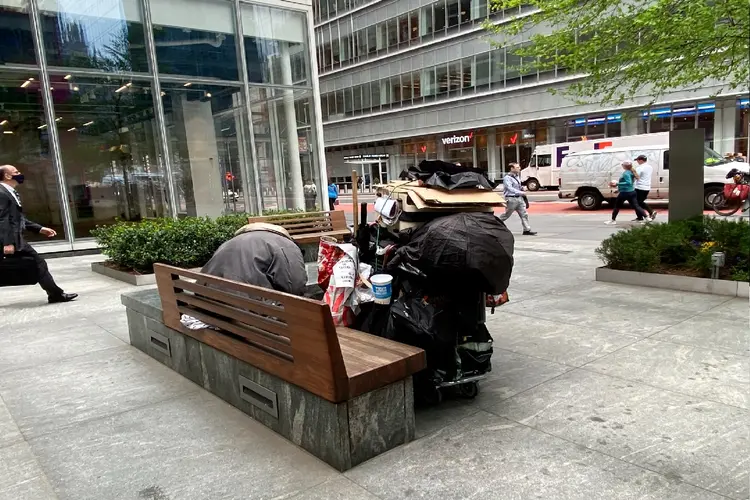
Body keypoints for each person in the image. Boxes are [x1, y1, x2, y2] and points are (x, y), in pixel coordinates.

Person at [0, 164, 77, 303]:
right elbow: (2, 220)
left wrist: (40, 229)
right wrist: (8, 243)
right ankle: (55, 294)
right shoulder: (2, 193)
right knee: (38, 263)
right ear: (7, 176)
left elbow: (17, 218)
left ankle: (55, 294)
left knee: (38, 263)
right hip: (12, 239)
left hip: (14, 238)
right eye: (16, 171)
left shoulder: (9, 192)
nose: (20, 173)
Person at [201, 223, 307, 296]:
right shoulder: (287, 246)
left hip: (209, 303)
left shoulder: (231, 242)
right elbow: (295, 288)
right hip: (246, 311)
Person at [497, 162, 536, 235]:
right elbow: (510, 188)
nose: (519, 168)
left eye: (519, 167)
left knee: (524, 214)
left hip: (519, 198)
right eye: (517, 167)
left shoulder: (517, 176)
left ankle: (527, 230)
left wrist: (522, 188)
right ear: (512, 168)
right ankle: (495, 224)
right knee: (506, 215)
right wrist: (521, 192)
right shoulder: (507, 178)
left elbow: (517, 186)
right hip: (511, 199)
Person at [633, 154, 657, 221]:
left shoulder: (640, 168)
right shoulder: (650, 167)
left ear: (641, 160)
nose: (637, 161)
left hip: (639, 187)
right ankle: (640, 217)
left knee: (637, 203)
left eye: (637, 160)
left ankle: (651, 212)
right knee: (639, 202)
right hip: (647, 187)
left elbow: (636, 177)